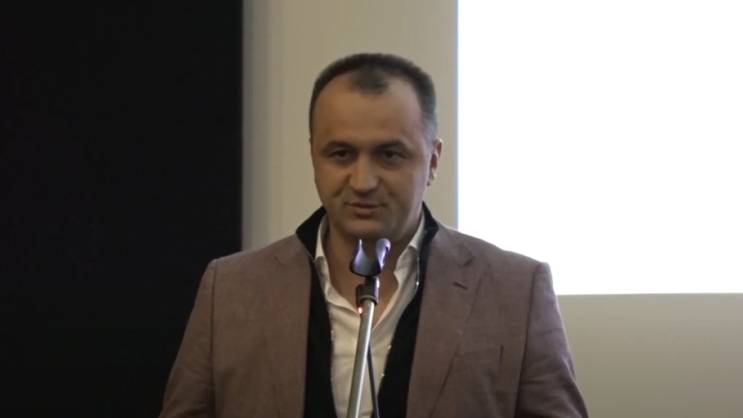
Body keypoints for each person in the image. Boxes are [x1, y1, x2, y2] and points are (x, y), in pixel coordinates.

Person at [159, 53, 588, 418]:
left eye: (390, 155)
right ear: (313, 155)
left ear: (433, 160)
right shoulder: (231, 289)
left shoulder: (516, 290)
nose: (363, 181)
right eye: (341, 154)